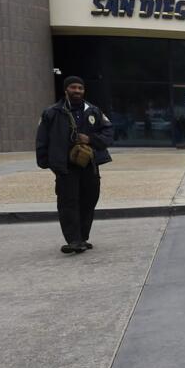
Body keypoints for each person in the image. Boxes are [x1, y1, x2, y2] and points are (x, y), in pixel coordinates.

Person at [35, 75, 114, 254]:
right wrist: (46, 161)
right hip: (65, 165)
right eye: (73, 88)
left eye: (80, 88)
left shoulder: (93, 111)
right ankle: (73, 239)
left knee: (89, 199)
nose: (77, 91)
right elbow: (42, 138)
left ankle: (83, 237)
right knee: (68, 202)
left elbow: (109, 133)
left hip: (89, 163)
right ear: (66, 90)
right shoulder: (51, 112)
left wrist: (91, 139)